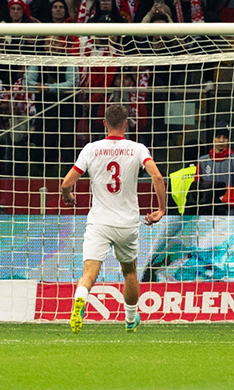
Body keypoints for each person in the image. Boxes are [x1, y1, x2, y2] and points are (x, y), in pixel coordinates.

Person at [60, 104, 167, 333]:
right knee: (129, 271)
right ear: (126, 124)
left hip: (99, 221)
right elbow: (157, 177)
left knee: (89, 273)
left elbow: (66, 183)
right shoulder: (137, 149)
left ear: (104, 123)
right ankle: (130, 320)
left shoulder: (91, 149)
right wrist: (160, 209)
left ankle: (80, 300)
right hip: (126, 223)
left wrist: (68, 196)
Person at [191, 130, 234, 216]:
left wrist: (227, 203)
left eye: (225, 137)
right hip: (207, 214)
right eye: (218, 137)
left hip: (232, 214)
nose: (221, 140)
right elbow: (196, 189)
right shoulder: (202, 161)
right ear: (213, 139)